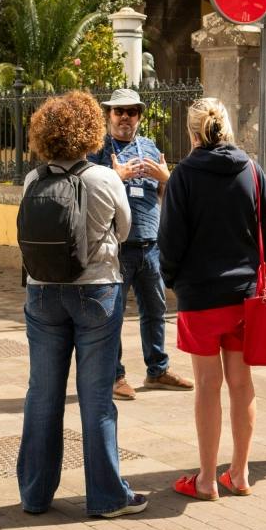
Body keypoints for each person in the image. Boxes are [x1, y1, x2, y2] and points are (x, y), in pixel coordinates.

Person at [15, 91, 147, 520]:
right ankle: (107, 497)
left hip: (41, 292)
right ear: (90, 130)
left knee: (42, 394)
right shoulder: (104, 179)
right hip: (96, 292)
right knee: (96, 399)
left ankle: (35, 494)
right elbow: (125, 230)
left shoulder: (34, 181)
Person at [157, 97, 266, 501]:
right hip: (245, 297)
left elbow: (170, 244)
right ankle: (240, 473)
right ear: (227, 128)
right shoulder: (251, 170)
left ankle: (207, 479)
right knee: (241, 384)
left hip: (200, 297)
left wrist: (175, 280)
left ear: (193, 133)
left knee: (207, 387)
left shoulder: (183, 176)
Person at [90, 87, 191, 400]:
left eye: (131, 112)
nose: (125, 117)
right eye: (119, 111)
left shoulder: (148, 147)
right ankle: (115, 376)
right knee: (113, 314)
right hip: (115, 249)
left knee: (155, 310)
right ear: (109, 115)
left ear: (139, 117)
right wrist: (114, 176)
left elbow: (166, 194)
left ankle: (157, 369)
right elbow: (88, 194)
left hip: (150, 246)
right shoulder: (98, 151)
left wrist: (166, 177)